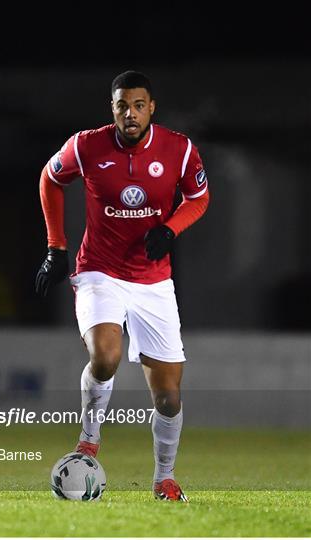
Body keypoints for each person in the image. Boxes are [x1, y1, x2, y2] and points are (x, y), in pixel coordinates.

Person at [36, 71, 209, 501]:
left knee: (168, 397)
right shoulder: (87, 145)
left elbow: (198, 197)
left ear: (151, 108)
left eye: (137, 106)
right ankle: (89, 441)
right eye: (121, 106)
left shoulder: (180, 150)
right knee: (106, 356)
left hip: (153, 282)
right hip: (100, 272)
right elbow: (50, 179)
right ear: (111, 109)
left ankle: (163, 479)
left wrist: (170, 229)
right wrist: (57, 248)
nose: (129, 114)